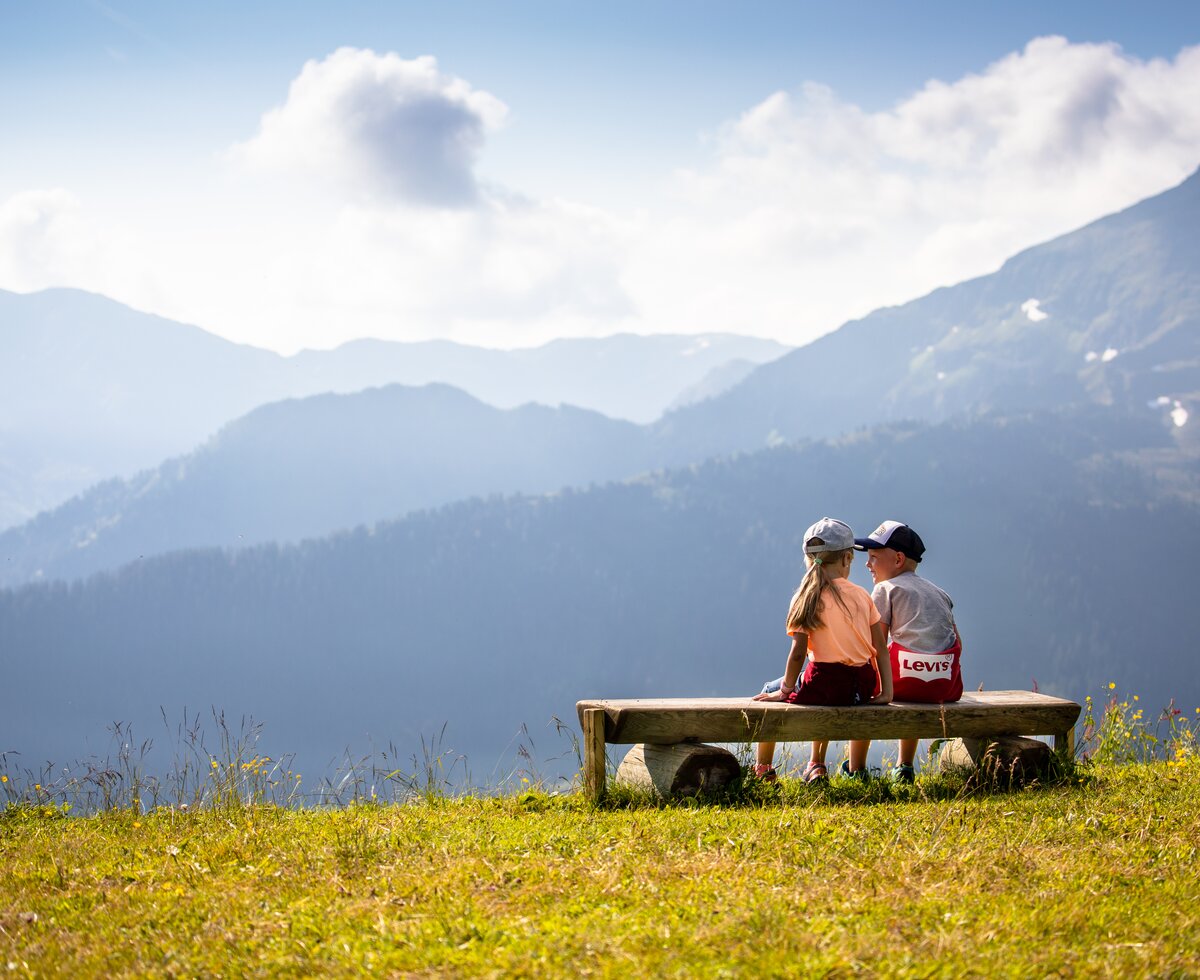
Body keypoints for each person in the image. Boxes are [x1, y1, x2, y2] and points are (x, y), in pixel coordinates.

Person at [751, 517, 893, 783]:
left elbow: (797, 654)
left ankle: (763, 770)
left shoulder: (805, 597)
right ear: (847, 559)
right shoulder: (862, 595)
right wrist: (887, 691)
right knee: (826, 683)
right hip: (861, 686)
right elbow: (881, 649)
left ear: (809, 560)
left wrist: (785, 691)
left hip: (823, 685)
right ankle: (816, 762)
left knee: (769, 689)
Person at [849, 520, 962, 783]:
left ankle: (856, 770)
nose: (867, 565)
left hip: (901, 682)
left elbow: (875, 644)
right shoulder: (940, 593)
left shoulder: (885, 590)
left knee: (865, 685)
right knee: (915, 684)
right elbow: (958, 642)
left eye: (874, 558)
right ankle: (905, 766)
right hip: (941, 685)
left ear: (898, 559)